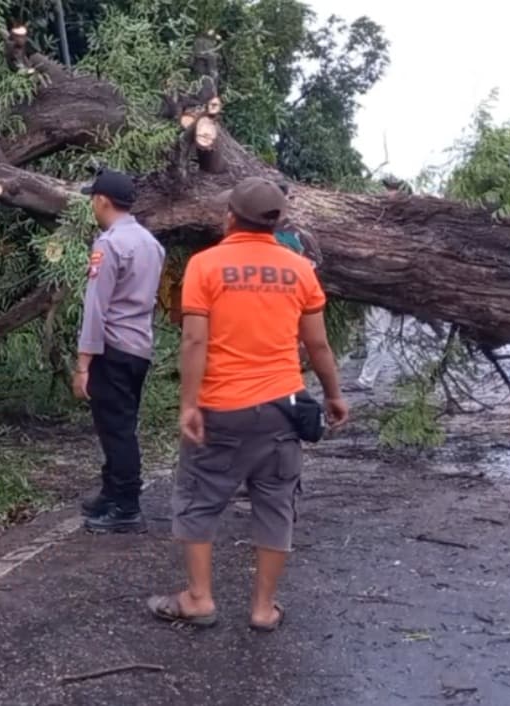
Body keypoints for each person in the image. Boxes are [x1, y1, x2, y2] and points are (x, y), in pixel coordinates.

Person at [147, 177, 348, 631]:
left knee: (199, 499)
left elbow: (195, 338)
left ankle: (199, 598)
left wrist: (189, 405)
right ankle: (263, 609)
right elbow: (317, 345)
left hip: (221, 407)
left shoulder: (205, 265)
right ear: (278, 221)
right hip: (281, 409)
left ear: (231, 216)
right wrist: (334, 395)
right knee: (276, 504)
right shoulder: (299, 269)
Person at [72, 169, 166, 534]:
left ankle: (126, 505)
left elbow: (96, 306)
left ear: (102, 201)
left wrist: (83, 364)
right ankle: (111, 492)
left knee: (117, 430)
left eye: (92, 199)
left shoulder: (109, 245)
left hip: (112, 348)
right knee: (119, 425)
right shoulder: (150, 243)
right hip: (139, 346)